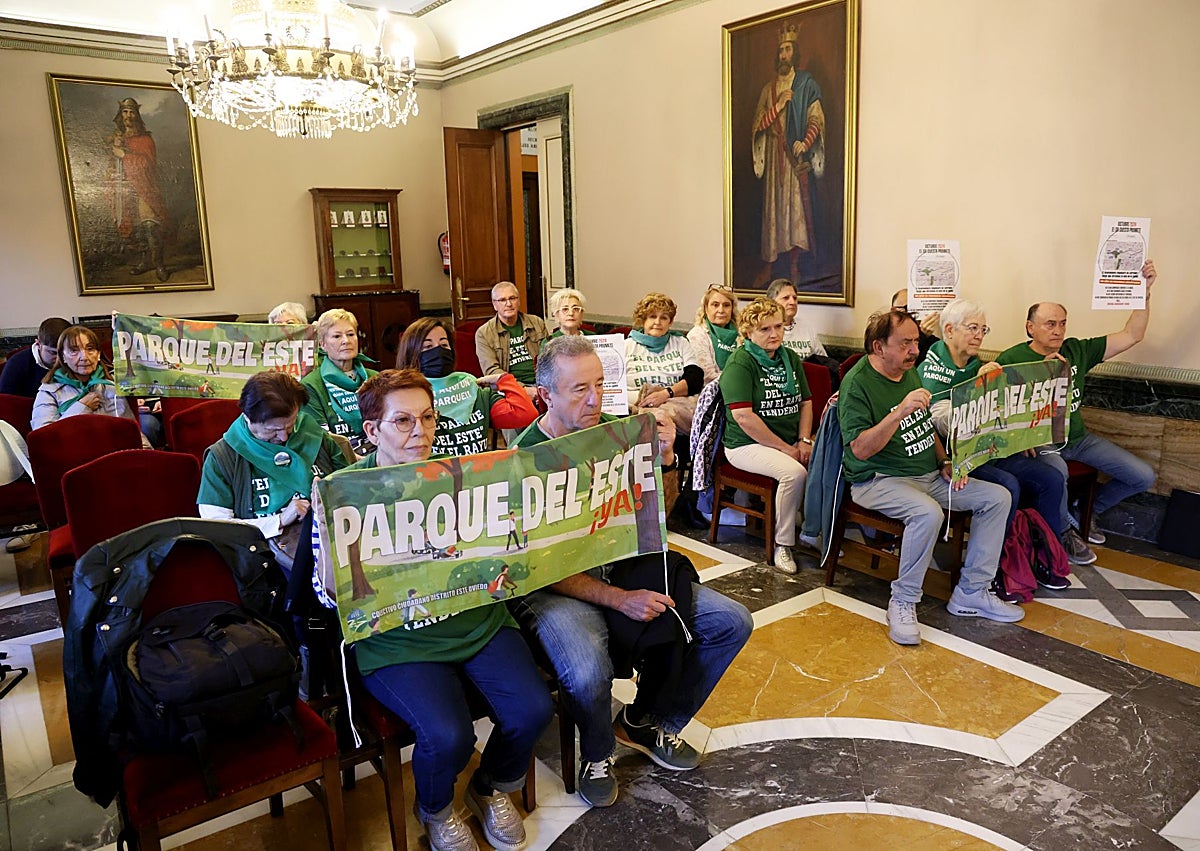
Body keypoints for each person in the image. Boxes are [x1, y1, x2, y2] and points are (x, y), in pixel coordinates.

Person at [510, 336, 753, 808]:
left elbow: (651, 518)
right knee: (586, 669)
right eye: (580, 389)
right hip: (554, 585)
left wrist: (665, 462)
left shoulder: (615, 434)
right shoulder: (523, 461)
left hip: (618, 563)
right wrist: (619, 599)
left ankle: (650, 719)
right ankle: (597, 754)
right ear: (546, 396)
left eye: (600, 384)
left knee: (731, 621)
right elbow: (538, 568)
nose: (596, 399)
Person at [317, 369, 552, 851]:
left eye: (427, 418)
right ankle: (437, 809)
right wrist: (334, 564)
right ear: (371, 431)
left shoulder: (463, 474)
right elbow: (327, 597)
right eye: (401, 421)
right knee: (448, 736)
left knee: (532, 710)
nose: (419, 432)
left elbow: (500, 553)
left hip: (475, 621)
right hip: (398, 639)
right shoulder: (343, 491)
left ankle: (491, 787)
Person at [839, 310, 1024, 646]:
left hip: (927, 474)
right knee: (928, 513)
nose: (914, 350)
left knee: (997, 498)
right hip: (879, 480)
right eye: (905, 343)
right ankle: (903, 601)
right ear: (879, 347)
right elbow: (861, 449)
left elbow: (925, 426)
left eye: (915, 341)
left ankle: (971, 592)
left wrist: (945, 460)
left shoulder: (908, 372)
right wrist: (899, 412)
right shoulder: (857, 383)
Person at [996, 261, 1159, 545]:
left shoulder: (1076, 349)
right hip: (1042, 442)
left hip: (1078, 438)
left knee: (1142, 476)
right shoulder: (1012, 358)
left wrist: (1142, 294)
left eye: (1062, 323)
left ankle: (1083, 512)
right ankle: (1063, 533)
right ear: (1030, 327)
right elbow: (997, 409)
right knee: (1055, 472)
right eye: (1050, 324)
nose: (1058, 330)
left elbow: (1132, 335)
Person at [918, 300, 1087, 569]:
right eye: (972, 328)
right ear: (949, 330)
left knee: (1051, 478)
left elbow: (1003, 409)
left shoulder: (974, 363)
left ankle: (1046, 558)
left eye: (983, 329)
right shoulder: (933, 367)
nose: (979, 335)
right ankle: (1001, 565)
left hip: (988, 450)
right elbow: (943, 421)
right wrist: (981, 388)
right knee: (1009, 484)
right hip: (954, 459)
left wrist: (1017, 437)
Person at [198, 371, 348, 552]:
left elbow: (350, 484)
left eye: (291, 425)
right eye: (273, 430)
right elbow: (218, 527)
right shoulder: (223, 457)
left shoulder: (314, 435)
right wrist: (280, 520)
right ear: (247, 418)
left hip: (331, 535)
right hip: (263, 551)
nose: (284, 436)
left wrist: (330, 494)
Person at [719, 298, 812, 575]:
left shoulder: (789, 357)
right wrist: (785, 448)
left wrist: (805, 440)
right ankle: (783, 544)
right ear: (748, 332)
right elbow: (744, 417)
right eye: (764, 329)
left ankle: (812, 530)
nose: (774, 334)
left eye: (778, 327)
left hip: (790, 440)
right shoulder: (740, 362)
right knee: (794, 473)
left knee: (830, 461)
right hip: (746, 444)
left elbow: (806, 401)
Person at [396, 317, 536, 456]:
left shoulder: (472, 387)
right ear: (412, 352)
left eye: (444, 345)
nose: (438, 351)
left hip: (476, 473)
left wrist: (503, 379)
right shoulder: (404, 399)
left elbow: (525, 414)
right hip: (434, 475)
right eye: (428, 347)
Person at [751, 22, 824, 285]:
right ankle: (771, 266)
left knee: (795, 211)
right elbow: (758, 125)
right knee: (774, 210)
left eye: (788, 49)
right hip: (773, 157)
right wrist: (780, 104)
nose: (783, 55)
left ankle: (794, 264)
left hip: (794, 158)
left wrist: (805, 141)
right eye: (780, 50)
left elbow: (816, 117)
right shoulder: (767, 90)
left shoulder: (806, 84)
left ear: (796, 52)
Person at [31, 326, 147, 447]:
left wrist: (146, 453)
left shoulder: (111, 386)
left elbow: (130, 432)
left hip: (110, 457)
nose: (84, 357)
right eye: (74, 350)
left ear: (98, 354)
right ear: (63, 356)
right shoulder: (49, 391)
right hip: (73, 459)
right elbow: (43, 439)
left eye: (90, 349)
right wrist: (81, 407)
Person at [108, 98, 171, 282]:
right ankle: (144, 262)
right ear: (120, 115)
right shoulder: (117, 139)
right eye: (125, 112)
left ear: (137, 115)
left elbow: (148, 164)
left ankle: (159, 264)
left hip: (144, 187)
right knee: (134, 229)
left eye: (132, 112)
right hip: (126, 190)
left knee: (150, 226)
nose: (128, 116)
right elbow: (112, 167)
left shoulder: (146, 139)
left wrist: (125, 155)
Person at [301, 309, 377, 455]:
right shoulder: (310, 385)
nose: (346, 341)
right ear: (323, 344)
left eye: (350, 334)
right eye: (336, 336)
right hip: (339, 462)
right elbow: (321, 438)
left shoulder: (376, 378)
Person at [624, 293, 702, 435]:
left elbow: (695, 379)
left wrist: (665, 394)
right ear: (643, 320)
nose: (658, 322)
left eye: (664, 317)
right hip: (637, 400)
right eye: (652, 316)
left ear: (670, 322)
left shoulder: (681, 343)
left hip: (673, 402)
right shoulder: (627, 346)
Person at [474, 282, 547, 403]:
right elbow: (492, 371)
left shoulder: (537, 323)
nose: (509, 304)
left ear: (518, 301)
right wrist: (522, 389)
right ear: (494, 305)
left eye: (512, 298)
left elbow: (550, 359)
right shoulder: (484, 333)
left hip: (542, 383)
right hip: (508, 389)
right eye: (502, 300)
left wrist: (543, 388)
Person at [0, 317, 70, 397]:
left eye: (65, 352)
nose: (60, 358)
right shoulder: (16, 364)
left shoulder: (78, 358)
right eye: (53, 352)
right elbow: (5, 402)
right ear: (38, 344)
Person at [686, 283, 740, 385]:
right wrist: (740, 380)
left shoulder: (741, 335)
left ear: (732, 309)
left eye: (726, 305)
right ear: (706, 309)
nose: (721, 310)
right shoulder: (697, 335)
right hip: (711, 391)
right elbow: (707, 376)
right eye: (715, 305)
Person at [766, 279, 828, 360]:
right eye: (786, 298)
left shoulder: (806, 328)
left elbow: (823, 360)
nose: (792, 302)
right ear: (771, 302)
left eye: (794, 298)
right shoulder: (765, 329)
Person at [891, 288, 940, 363]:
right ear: (893, 311)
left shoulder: (935, 344)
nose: (912, 314)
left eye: (917, 310)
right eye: (907, 308)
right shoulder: (884, 337)